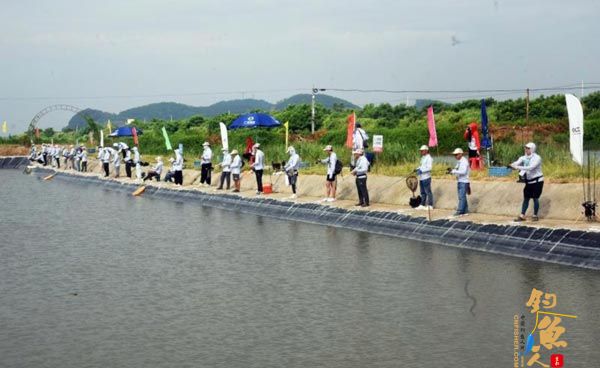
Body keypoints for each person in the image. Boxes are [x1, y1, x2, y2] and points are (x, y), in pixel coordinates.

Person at [510, 142, 544, 222]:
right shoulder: (523, 157)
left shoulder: (537, 158)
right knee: (526, 198)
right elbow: (517, 162)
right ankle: (522, 215)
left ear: (532, 149)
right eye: (525, 148)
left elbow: (530, 167)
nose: (526, 149)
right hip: (528, 181)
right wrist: (512, 165)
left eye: (528, 148)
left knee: (535, 198)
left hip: (537, 181)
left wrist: (516, 167)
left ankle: (535, 215)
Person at [449, 148, 470, 216]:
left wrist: (454, 171)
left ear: (461, 154)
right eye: (454, 155)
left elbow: (463, 172)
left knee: (461, 197)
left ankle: (460, 211)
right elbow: (456, 169)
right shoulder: (459, 161)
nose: (455, 156)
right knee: (462, 196)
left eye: (456, 154)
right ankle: (465, 210)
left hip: (464, 182)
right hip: (460, 181)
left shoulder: (464, 161)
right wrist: (451, 171)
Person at [415, 145, 434, 210]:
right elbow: (421, 166)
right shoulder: (423, 157)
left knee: (428, 192)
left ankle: (430, 205)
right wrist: (417, 169)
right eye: (421, 151)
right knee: (422, 192)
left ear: (426, 150)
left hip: (426, 177)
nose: (421, 152)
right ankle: (422, 204)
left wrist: (421, 171)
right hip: (421, 178)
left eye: (422, 151)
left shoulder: (429, 158)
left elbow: (429, 168)